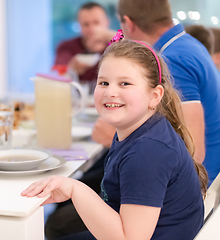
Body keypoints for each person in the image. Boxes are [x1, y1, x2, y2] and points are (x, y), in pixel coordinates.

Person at [23, 38, 207, 240]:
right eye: (103, 82)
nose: (110, 92)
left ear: (155, 96)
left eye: (125, 83)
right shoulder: (141, 130)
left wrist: (75, 189)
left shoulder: (148, 151)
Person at [92, 0, 220, 184]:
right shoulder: (185, 44)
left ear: (128, 23)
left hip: (194, 187)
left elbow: (194, 151)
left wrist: (113, 138)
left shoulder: (172, 60)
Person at [54, 2, 113, 92]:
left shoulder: (116, 46)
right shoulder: (67, 47)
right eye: (86, 24)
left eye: (96, 23)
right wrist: (71, 71)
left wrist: (110, 35)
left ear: (107, 22)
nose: (92, 29)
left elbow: (136, 45)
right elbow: (56, 82)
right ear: (79, 25)